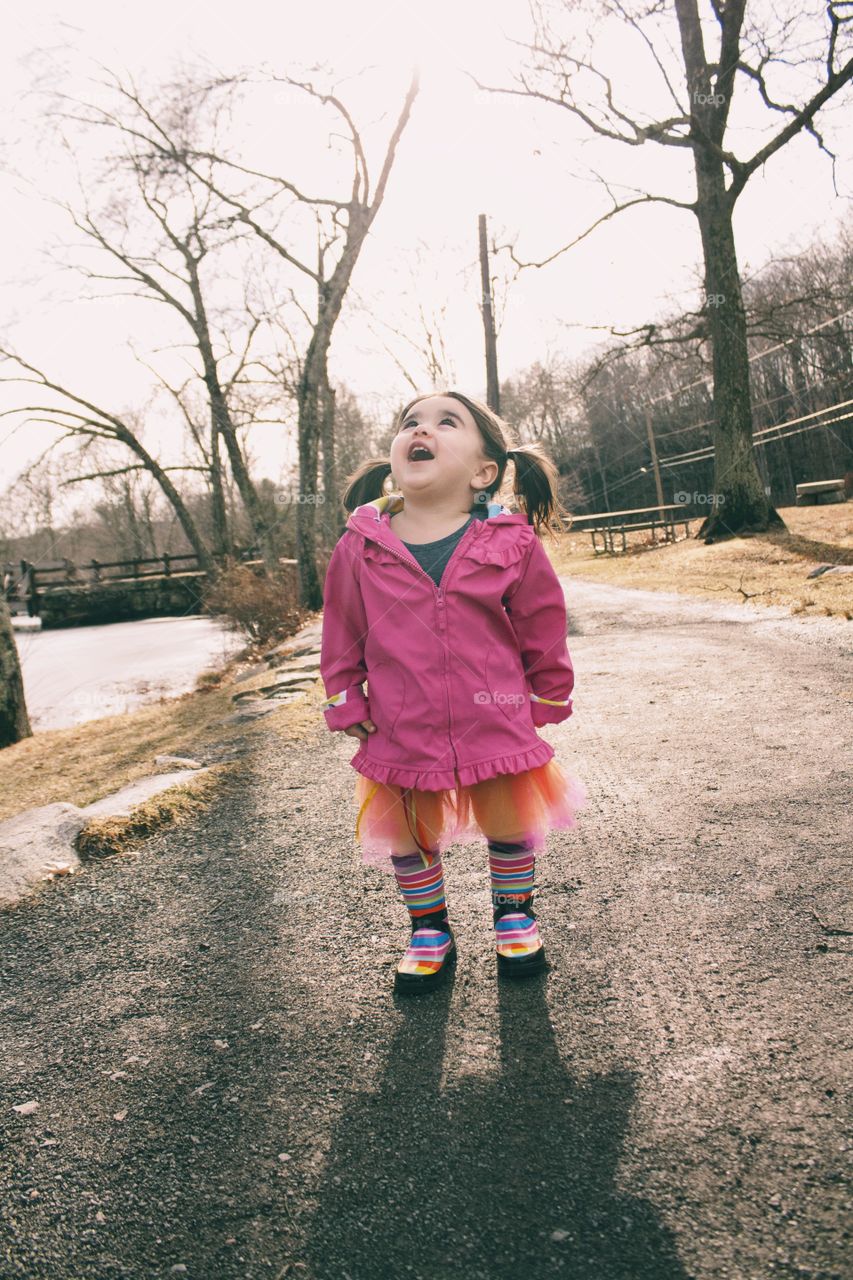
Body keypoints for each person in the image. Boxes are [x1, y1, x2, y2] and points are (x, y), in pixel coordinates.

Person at [319, 390, 588, 994]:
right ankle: (428, 929)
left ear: (483, 471)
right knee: (408, 832)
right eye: (410, 422)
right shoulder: (360, 547)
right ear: (395, 457)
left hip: (493, 714)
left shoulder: (510, 543)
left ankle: (514, 916)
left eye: (447, 423)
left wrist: (548, 692)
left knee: (507, 819)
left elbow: (542, 623)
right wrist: (346, 697)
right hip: (400, 723)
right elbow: (341, 631)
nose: (423, 430)